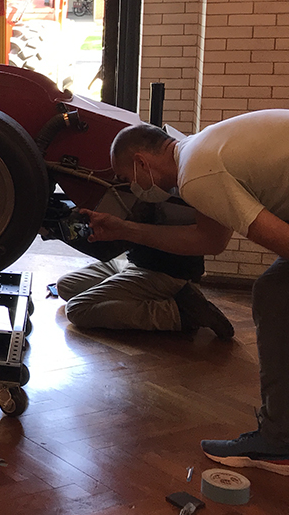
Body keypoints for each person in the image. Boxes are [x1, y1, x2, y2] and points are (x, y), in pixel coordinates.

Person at [88, 114, 289, 474]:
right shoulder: (199, 152)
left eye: (125, 179)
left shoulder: (197, 174)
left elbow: (281, 239)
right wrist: (125, 230)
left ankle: (279, 443)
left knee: (275, 296)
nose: (131, 187)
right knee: (275, 292)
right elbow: (208, 241)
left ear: (141, 163)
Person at [56, 201, 233, 338]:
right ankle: (158, 297)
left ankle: (179, 312)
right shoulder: (143, 188)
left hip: (167, 273)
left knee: (77, 309)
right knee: (66, 286)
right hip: (133, 263)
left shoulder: (177, 197)